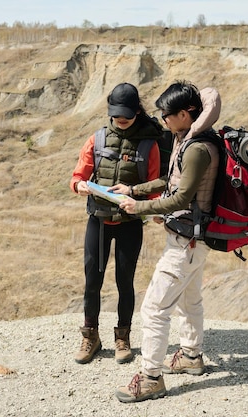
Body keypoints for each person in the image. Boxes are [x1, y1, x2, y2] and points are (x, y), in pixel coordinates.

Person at [109, 81, 222, 402]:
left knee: (155, 308)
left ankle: (151, 377)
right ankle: (190, 355)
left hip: (186, 243)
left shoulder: (198, 148)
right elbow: (171, 181)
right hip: (191, 240)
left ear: (186, 114)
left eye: (167, 114)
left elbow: (183, 196)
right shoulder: (188, 139)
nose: (162, 119)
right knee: (189, 301)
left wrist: (140, 207)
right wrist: (133, 190)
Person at [70, 82, 163, 365]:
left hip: (129, 224)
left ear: (137, 111)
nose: (120, 120)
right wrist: (80, 186)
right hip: (97, 221)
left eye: (126, 115)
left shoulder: (150, 144)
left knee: (125, 282)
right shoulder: (96, 140)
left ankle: (123, 337)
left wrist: (134, 192)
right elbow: (76, 177)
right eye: (115, 115)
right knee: (92, 283)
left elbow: (155, 187)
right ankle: (91, 336)